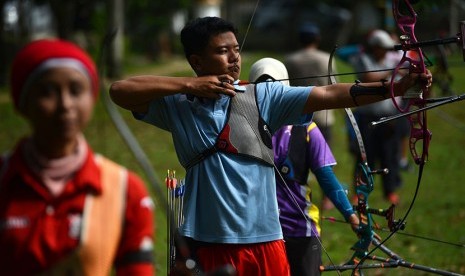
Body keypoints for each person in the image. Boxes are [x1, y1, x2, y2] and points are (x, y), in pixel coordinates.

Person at [109, 16, 431, 275]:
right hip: (207, 243)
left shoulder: (262, 96)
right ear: (197, 61)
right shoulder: (177, 105)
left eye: (236, 49)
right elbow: (120, 90)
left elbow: (330, 94)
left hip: (266, 242)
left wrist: (395, 86)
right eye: (223, 51)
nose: (234, 57)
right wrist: (190, 85)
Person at [0, 39, 155, 275]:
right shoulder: (4, 179)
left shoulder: (125, 190)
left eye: (75, 90)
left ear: (91, 98)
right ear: (22, 102)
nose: (65, 105)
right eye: (47, 92)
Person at [249, 57, 360, 276]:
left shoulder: (306, 128)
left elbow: (326, 177)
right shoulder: (240, 126)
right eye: (262, 88)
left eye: (275, 88)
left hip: (299, 229)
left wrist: (351, 215)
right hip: (255, 231)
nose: (268, 95)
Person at [349, 29, 408, 204]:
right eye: (383, 47)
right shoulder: (363, 59)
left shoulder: (393, 60)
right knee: (365, 157)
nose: (387, 51)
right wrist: (392, 71)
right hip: (367, 118)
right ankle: (360, 191)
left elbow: (406, 72)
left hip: (389, 117)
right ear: (375, 47)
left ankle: (389, 191)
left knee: (389, 154)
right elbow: (368, 78)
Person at [284, 22, 337, 211]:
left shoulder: (290, 60)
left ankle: (293, 197)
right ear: (317, 39)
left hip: (297, 116)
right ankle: (328, 199)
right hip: (323, 115)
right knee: (325, 161)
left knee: (296, 160)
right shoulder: (325, 59)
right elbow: (334, 85)